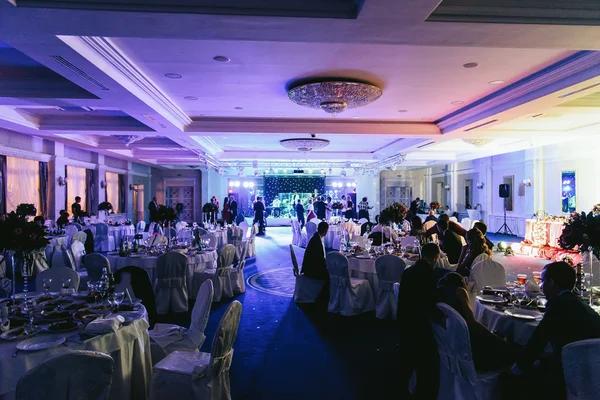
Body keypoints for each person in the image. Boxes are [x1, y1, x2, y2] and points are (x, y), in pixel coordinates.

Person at [508, 262, 600, 399]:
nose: (541, 286)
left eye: (543, 281)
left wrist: (515, 370)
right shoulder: (577, 303)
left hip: (571, 370)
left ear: (552, 282)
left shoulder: (559, 304)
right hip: (592, 369)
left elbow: (538, 341)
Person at [436, 272, 516, 371]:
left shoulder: (441, 298)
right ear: (462, 284)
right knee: (512, 351)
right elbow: (473, 325)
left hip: (452, 353)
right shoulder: (460, 294)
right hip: (472, 357)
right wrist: (500, 342)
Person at [397, 243, 445, 398]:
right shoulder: (430, 275)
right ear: (434, 258)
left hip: (405, 321)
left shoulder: (408, 271)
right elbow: (430, 304)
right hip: (421, 326)